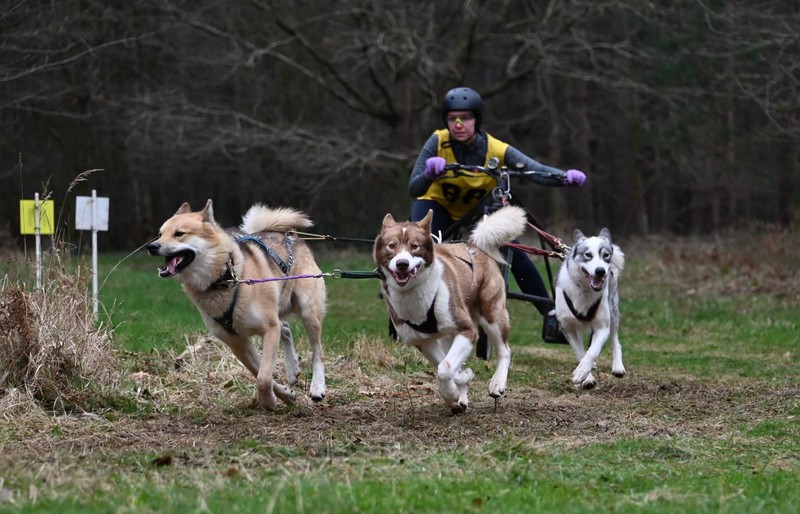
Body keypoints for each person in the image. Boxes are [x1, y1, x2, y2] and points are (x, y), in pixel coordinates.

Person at [408, 86, 587, 315]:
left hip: (478, 211)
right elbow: (414, 188)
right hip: (438, 205)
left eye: (466, 118)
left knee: (514, 252)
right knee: (417, 244)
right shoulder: (437, 141)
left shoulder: (496, 149)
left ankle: (550, 313)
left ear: (477, 119)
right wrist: (428, 175)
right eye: (452, 119)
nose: (459, 124)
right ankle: (411, 306)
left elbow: (534, 170)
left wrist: (564, 178)